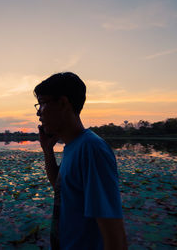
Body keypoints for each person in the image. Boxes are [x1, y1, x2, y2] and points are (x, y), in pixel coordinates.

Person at [34, 72, 127, 250]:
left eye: (43, 103)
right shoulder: (72, 146)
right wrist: (47, 151)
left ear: (63, 103)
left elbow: (115, 235)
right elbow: (61, 188)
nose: (38, 112)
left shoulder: (92, 149)